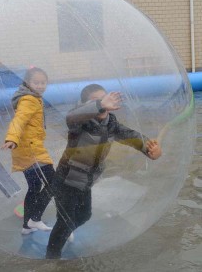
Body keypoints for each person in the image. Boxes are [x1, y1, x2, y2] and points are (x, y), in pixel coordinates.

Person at [46, 84, 162, 259]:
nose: (105, 102)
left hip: (86, 181)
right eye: (97, 100)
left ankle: (64, 229)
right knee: (65, 220)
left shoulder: (111, 124)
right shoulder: (79, 122)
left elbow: (131, 136)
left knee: (85, 215)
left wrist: (149, 148)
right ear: (85, 106)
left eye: (106, 98)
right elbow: (71, 116)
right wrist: (100, 104)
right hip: (66, 179)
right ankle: (51, 259)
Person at [1, 67, 55, 235]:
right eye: (36, 82)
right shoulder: (29, 100)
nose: (40, 86)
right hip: (31, 151)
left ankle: (26, 225)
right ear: (27, 83)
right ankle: (35, 219)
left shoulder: (32, 97)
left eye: (43, 82)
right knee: (54, 183)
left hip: (24, 149)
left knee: (35, 186)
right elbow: (19, 120)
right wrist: (11, 138)